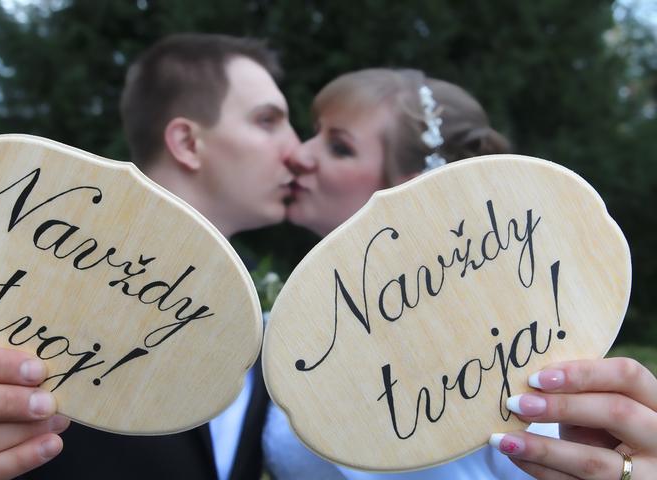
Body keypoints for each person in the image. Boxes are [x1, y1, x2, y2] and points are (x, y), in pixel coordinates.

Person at [0, 33, 298, 480]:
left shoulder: (257, 309)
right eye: (268, 121)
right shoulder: (16, 284)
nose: (297, 151)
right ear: (187, 142)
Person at [267, 68, 657, 479]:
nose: (299, 154)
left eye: (339, 147)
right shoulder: (293, 332)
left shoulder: (503, 352)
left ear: (415, 187)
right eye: (315, 133)